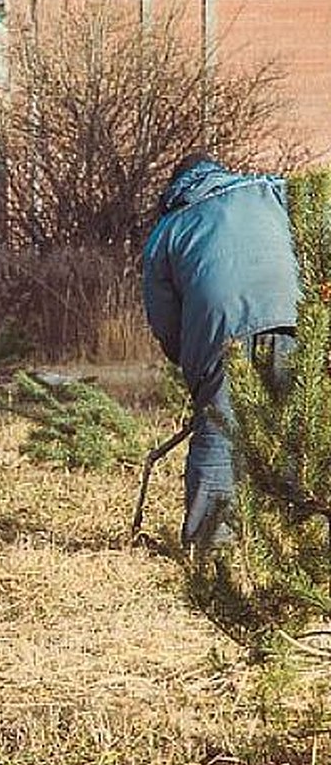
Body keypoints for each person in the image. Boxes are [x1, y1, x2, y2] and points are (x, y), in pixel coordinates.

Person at [142, 151, 299, 552]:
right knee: (305, 425)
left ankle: (210, 548)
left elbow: (165, 321)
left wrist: (196, 371)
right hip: (296, 318)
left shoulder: (168, 230)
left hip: (221, 333)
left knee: (219, 433)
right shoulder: (271, 191)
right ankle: (305, 540)